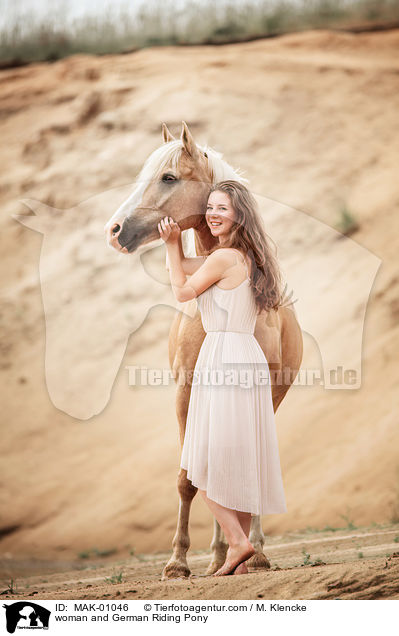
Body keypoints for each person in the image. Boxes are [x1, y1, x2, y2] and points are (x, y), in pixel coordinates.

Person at [158, 180, 287, 577]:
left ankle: (237, 541)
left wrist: (169, 245)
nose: (213, 214)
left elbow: (181, 291)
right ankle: (238, 553)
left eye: (222, 209)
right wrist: (177, 249)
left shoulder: (223, 257)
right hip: (245, 355)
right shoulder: (243, 256)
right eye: (209, 207)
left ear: (238, 215)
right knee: (240, 458)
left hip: (223, 357)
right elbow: (185, 270)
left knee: (204, 462)